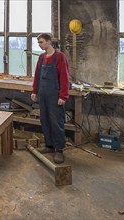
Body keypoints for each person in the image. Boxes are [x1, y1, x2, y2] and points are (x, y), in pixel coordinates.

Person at [31, 33, 70, 164]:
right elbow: (37, 75)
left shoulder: (60, 57)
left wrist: (63, 96)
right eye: (38, 43)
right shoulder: (41, 57)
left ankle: (59, 149)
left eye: (41, 42)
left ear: (48, 42)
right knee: (45, 119)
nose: (39, 45)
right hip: (43, 94)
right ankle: (49, 145)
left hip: (54, 95)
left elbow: (64, 77)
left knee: (56, 121)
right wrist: (34, 91)